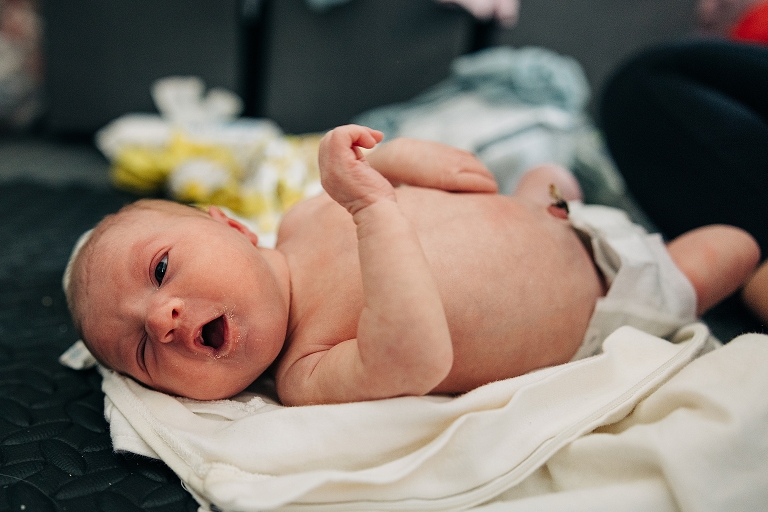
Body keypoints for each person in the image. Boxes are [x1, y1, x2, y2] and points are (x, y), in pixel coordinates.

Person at [63, 124, 760, 406]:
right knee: (732, 245)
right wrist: (371, 208)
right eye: (142, 353)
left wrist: (400, 159)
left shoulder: (308, 213)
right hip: (609, 293)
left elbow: (389, 170)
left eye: (158, 272)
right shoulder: (308, 369)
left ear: (234, 224)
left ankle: (557, 189)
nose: (162, 319)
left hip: (540, 216)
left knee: (546, 171)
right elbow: (418, 356)